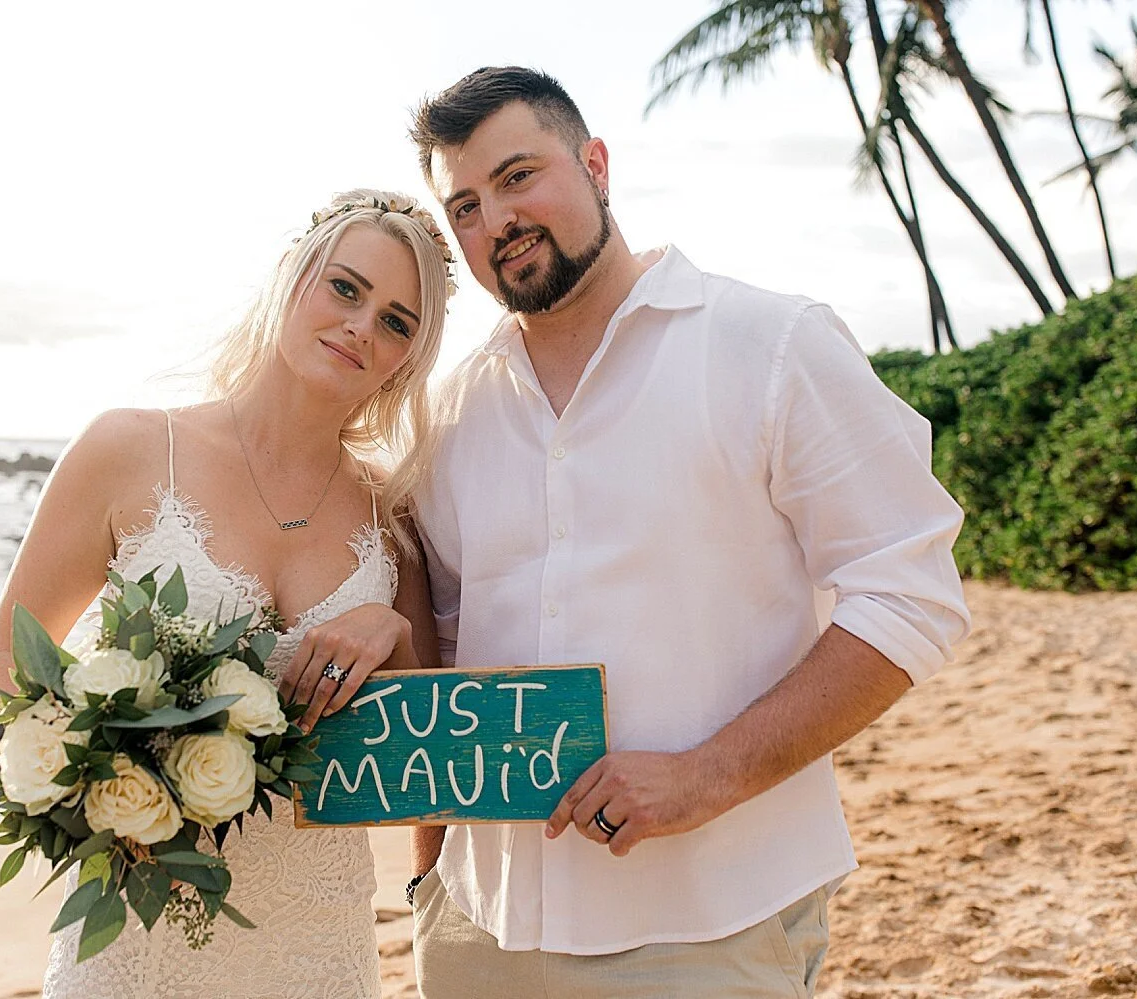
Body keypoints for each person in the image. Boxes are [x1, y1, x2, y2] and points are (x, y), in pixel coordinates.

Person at [404, 68, 972, 998]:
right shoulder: (454, 410)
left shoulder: (772, 344)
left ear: (595, 165)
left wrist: (708, 775)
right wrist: (432, 877)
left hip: (713, 923)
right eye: (463, 204)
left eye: (518, 176)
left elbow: (910, 592)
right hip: (480, 925)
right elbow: (451, 646)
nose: (494, 219)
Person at [0, 189, 453, 999]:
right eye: (345, 288)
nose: (361, 327)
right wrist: (119, 786)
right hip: (141, 922)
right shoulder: (128, 448)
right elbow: (12, 661)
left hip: (317, 930)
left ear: (409, 356)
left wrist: (391, 631)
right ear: (292, 277)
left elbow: (426, 754)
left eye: (397, 321)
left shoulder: (392, 512)